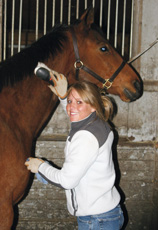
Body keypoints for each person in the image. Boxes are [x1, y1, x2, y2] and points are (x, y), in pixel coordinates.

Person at [25, 70, 124, 230]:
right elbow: (77, 115)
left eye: (79, 102)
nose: (71, 107)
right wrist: (64, 97)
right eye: (71, 101)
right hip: (106, 213)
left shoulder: (85, 137)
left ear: (93, 106)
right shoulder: (98, 123)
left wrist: (41, 167)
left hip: (96, 221)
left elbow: (66, 181)